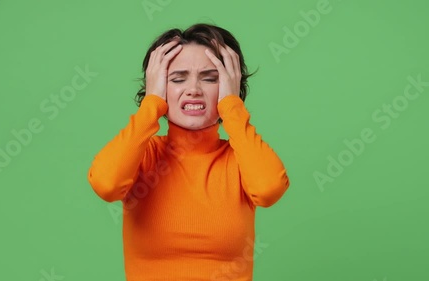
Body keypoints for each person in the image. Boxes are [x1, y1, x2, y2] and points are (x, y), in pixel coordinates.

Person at [87, 23, 290, 281]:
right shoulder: (143, 156)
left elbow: (270, 189)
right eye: (178, 78)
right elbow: (106, 184)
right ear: (159, 87)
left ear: (229, 86)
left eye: (210, 78)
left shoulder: (241, 160)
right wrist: (151, 105)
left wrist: (232, 109)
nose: (194, 89)